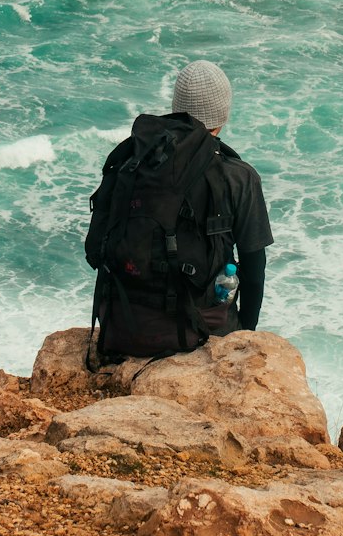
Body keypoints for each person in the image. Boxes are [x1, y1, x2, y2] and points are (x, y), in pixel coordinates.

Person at [85, 61, 272, 360]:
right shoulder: (238, 176)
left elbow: (95, 251)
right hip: (198, 329)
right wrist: (244, 332)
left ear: (176, 107)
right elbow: (254, 270)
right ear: (222, 114)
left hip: (122, 323)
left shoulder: (133, 162)